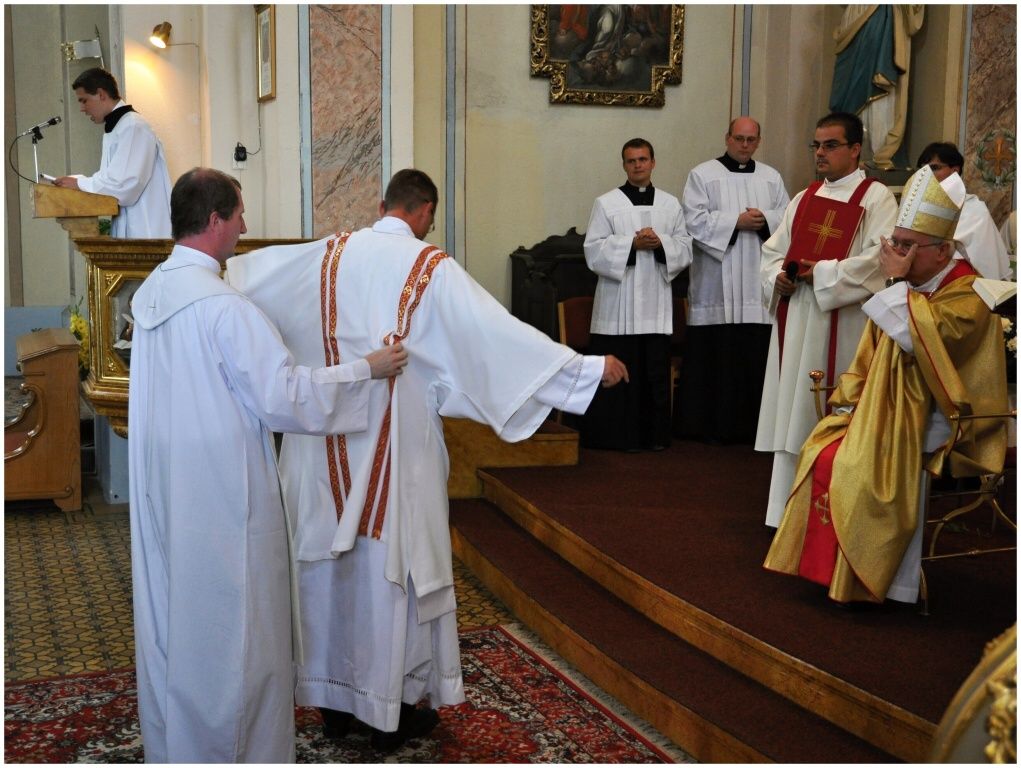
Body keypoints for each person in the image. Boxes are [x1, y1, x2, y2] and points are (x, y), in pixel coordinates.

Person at [225, 169, 628, 752]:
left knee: (326, 575)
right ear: (424, 212)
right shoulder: (429, 267)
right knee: (386, 577)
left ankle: (333, 706)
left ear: (382, 205)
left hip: (319, 453)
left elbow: (239, 280)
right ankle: (383, 712)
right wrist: (585, 370)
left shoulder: (324, 255)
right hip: (394, 455)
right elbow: (496, 335)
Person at [127, 168, 407, 762]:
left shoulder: (151, 293)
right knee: (237, 635)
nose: (245, 226)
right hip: (224, 499)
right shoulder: (225, 308)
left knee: (176, 622)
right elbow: (286, 398)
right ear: (214, 221)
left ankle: (179, 748)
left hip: (168, 487)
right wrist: (366, 369)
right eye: (238, 215)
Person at [763, 165, 1009, 603]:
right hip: (889, 408)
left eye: (907, 246)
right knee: (822, 448)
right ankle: (832, 570)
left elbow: (922, 342)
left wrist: (894, 282)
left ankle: (888, 583)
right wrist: (848, 403)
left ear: (943, 250)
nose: (895, 253)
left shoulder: (966, 290)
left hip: (945, 415)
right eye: (894, 242)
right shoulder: (912, 282)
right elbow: (869, 354)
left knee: (862, 466)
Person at [755, 112, 898, 528]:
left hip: (843, 321)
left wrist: (821, 273)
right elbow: (772, 252)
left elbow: (878, 261)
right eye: (816, 145)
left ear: (855, 149)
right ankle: (785, 515)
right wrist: (779, 277)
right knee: (794, 410)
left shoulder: (877, 198)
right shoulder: (804, 197)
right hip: (798, 314)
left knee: (831, 411)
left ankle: (831, 516)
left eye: (830, 145)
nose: (820, 153)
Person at [676, 117, 790, 444]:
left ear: (758, 142)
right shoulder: (703, 174)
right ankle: (708, 427)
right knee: (716, 356)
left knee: (754, 355)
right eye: (739, 138)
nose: (744, 145)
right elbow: (692, 221)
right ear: (727, 138)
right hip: (717, 283)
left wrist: (764, 219)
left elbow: (788, 218)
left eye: (751, 139)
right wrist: (735, 222)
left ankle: (755, 429)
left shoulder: (771, 177)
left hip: (757, 283)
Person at [583, 137, 692, 452]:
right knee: (620, 371)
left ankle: (653, 437)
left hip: (655, 303)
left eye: (643, 159)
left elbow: (685, 247)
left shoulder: (670, 205)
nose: (638, 165)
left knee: (652, 372)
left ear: (653, 162)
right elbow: (593, 249)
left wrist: (660, 244)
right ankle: (614, 436)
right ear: (624, 165)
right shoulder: (607, 203)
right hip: (617, 305)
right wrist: (631, 244)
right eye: (631, 160)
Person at [53, 68, 172, 238]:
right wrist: (78, 182)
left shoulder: (133, 127)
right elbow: (113, 179)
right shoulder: (119, 127)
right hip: (131, 229)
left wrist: (79, 183)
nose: (82, 108)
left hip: (146, 229)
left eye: (84, 100)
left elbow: (124, 185)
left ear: (101, 94)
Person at [829, 6, 925, 168]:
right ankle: (852, 153)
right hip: (854, 15)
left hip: (881, 15)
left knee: (877, 87)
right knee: (849, 90)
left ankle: (876, 152)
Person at [917, 141, 1012, 280]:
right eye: (922, 169)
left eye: (934, 168)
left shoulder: (974, 209)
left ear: (954, 171)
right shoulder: (917, 206)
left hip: (963, 283)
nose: (925, 174)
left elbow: (985, 262)